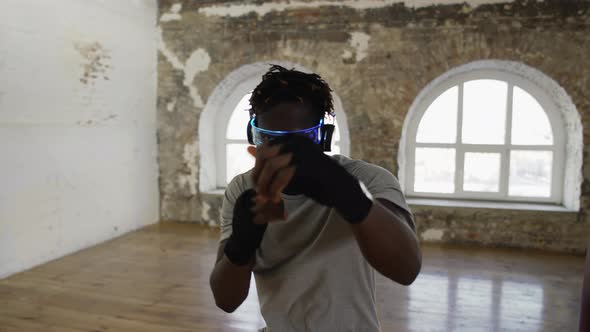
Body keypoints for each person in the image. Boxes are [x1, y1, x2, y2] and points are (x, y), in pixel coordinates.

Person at [209, 65, 422, 331]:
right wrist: (240, 245)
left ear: (323, 137)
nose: (282, 154)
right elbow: (225, 300)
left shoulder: (368, 180)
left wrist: (348, 193)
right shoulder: (243, 189)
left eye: (299, 141)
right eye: (270, 140)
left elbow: (407, 269)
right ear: (254, 136)